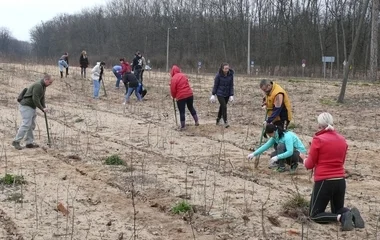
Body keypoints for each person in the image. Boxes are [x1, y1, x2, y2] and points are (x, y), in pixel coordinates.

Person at [303, 112, 365, 231]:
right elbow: (341, 161)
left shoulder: (318, 139)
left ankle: (343, 218)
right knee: (337, 209)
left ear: (319, 125)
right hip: (340, 180)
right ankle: (350, 213)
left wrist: (303, 159)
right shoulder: (342, 139)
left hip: (324, 181)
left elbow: (310, 164)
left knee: (314, 215)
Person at [12, 74, 54, 150]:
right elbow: (35, 99)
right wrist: (42, 108)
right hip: (26, 106)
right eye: (50, 82)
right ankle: (16, 141)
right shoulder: (38, 85)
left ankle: (29, 142)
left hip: (31, 107)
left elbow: (42, 98)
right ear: (46, 80)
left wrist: (44, 107)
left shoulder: (43, 86)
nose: (50, 84)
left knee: (31, 125)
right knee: (26, 124)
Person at [170, 65, 199, 130]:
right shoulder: (183, 75)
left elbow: (173, 89)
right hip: (189, 94)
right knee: (191, 107)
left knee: (182, 111)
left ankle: (183, 126)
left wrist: (173, 96)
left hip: (181, 97)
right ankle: (196, 121)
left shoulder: (174, 78)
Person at [210, 63, 234, 128]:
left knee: (222, 107)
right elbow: (216, 85)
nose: (227, 70)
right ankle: (225, 122)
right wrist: (213, 94)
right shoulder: (218, 76)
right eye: (225, 68)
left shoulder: (231, 75)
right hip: (220, 93)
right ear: (222, 69)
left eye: (228, 68)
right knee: (224, 106)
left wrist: (231, 95)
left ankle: (218, 119)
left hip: (227, 94)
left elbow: (231, 85)